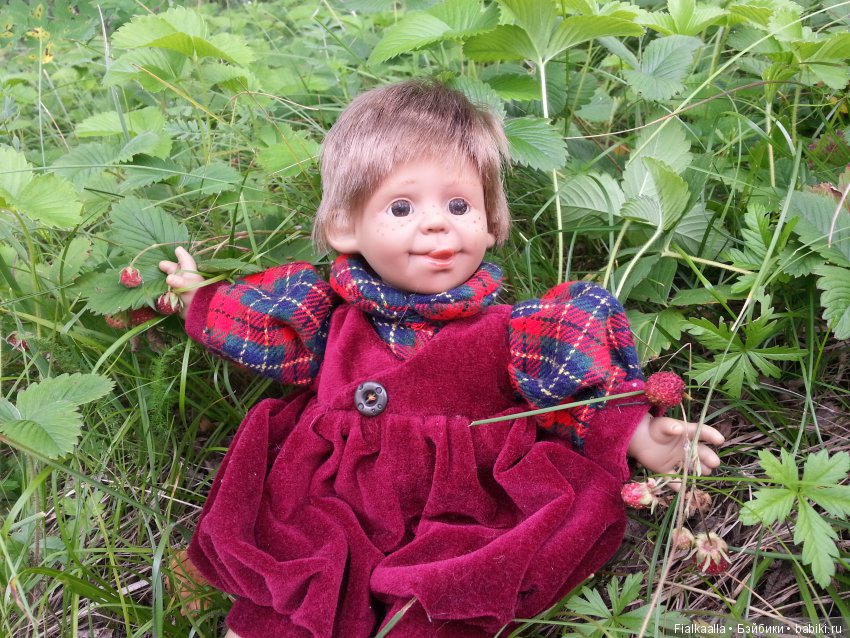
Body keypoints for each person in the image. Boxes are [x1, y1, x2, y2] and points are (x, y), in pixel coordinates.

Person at [159, 80, 724, 638]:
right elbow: (257, 330)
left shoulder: (514, 333)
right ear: (345, 227)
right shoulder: (327, 318)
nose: (437, 222)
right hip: (328, 495)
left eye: (459, 204)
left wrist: (637, 434)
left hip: (461, 507)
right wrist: (194, 296)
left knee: (447, 593)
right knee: (296, 579)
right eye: (401, 206)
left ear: (492, 222)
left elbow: (570, 390)